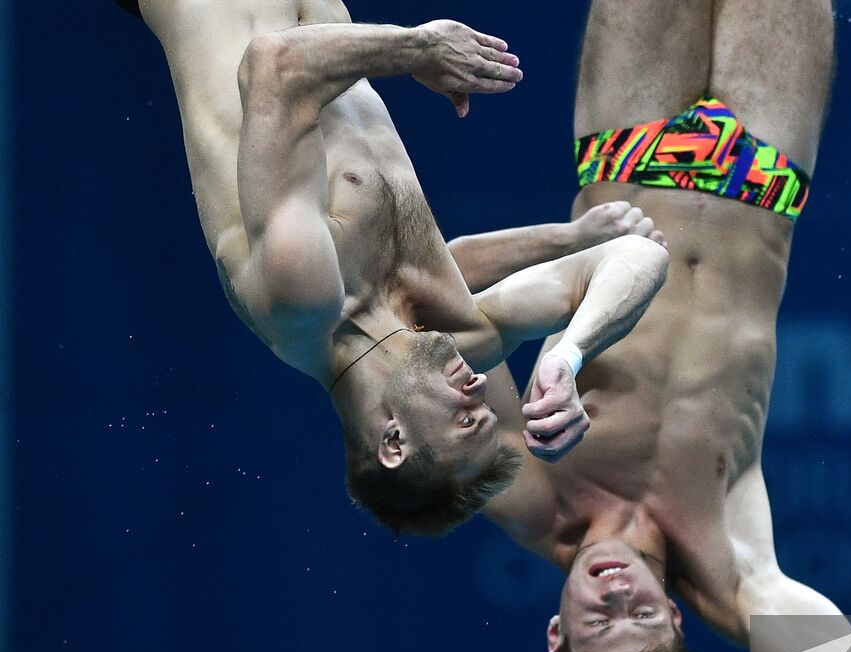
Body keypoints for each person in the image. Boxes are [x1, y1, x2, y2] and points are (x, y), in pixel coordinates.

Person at [474, 0, 851, 652]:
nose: (618, 593)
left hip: (626, 157)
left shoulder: (522, 493)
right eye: (642, 615)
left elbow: (446, 326)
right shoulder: (731, 568)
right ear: (675, 617)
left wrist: (544, 351)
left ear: (556, 630)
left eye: (599, 619)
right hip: (761, 173)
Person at [127, 0, 669, 534]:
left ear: (393, 441)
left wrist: (423, 48)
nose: (481, 387)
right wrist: (569, 355)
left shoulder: (302, 300)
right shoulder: (450, 334)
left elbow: (273, 65)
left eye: (466, 419)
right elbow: (640, 257)